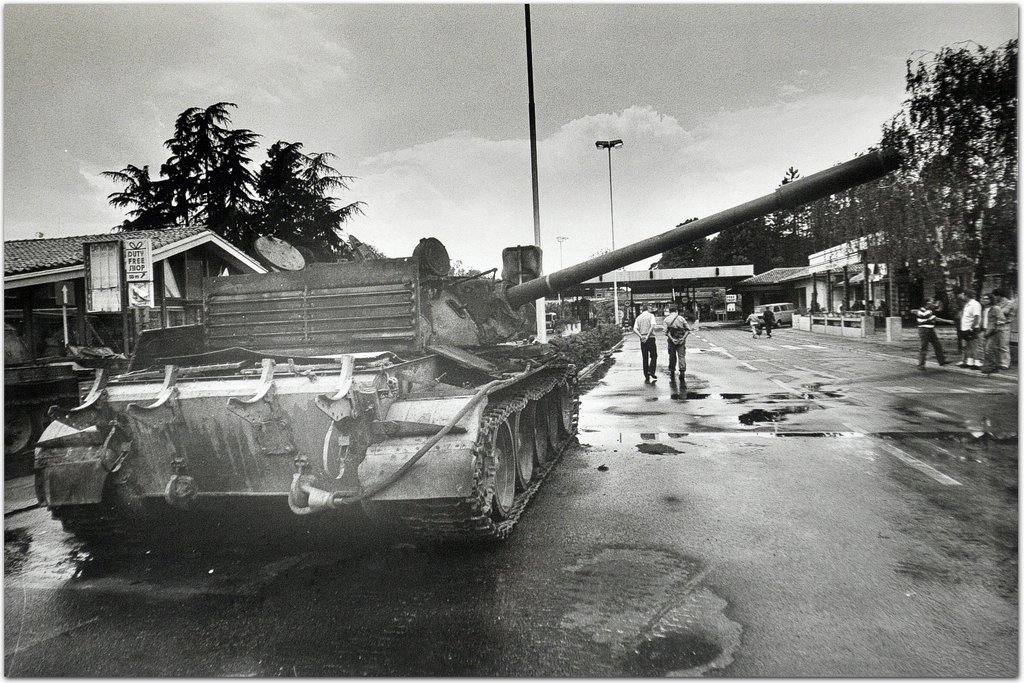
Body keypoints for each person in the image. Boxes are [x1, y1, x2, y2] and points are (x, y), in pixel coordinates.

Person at [913, 299, 952, 368]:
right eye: (931, 302)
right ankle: (921, 364)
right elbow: (935, 318)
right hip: (924, 330)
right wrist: (948, 321)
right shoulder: (923, 311)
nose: (933, 303)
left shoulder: (928, 310)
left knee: (937, 345)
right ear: (927, 303)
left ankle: (941, 361)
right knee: (924, 347)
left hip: (930, 329)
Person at [663, 305, 691, 385]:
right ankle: (682, 371)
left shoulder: (666, 319)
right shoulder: (681, 318)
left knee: (672, 356)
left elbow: (665, 332)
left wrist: (672, 339)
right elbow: (688, 330)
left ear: (669, 311)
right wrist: (683, 338)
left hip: (672, 340)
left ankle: (672, 371)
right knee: (681, 355)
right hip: (681, 339)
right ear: (676, 311)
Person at [980, 293, 1006, 374]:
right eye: (983, 298)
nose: (985, 300)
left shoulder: (995, 308)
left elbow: (1002, 319)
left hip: (993, 331)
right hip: (985, 330)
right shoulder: (984, 309)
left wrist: (996, 326)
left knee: (989, 350)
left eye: (987, 298)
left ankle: (992, 366)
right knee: (987, 350)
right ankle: (990, 366)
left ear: (991, 299)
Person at [957, 289, 982, 369]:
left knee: (974, 345)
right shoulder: (967, 304)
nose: (962, 296)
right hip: (965, 328)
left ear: (967, 295)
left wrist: (972, 327)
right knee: (968, 346)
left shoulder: (975, 304)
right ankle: (969, 361)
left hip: (971, 328)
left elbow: (977, 317)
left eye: (964, 295)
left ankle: (977, 362)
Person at [632, 303, 658, 382]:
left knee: (645, 357)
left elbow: (635, 329)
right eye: (650, 308)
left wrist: (641, 336)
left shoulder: (638, 318)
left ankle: (646, 375)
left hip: (642, 339)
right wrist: (647, 336)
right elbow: (652, 326)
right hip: (650, 338)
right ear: (647, 308)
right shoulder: (651, 316)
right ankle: (651, 370)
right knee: (654, 355)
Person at [993, 288, 1016, 370]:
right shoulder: (997, 304)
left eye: (995, 296)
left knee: (1003, 345)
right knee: (996, 345)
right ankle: (999, 362)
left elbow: (1004, 312)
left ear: (999, 295)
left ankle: (1005, 363)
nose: (995, 298)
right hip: (996, 325)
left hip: (1005, 325)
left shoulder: (1009, 303)